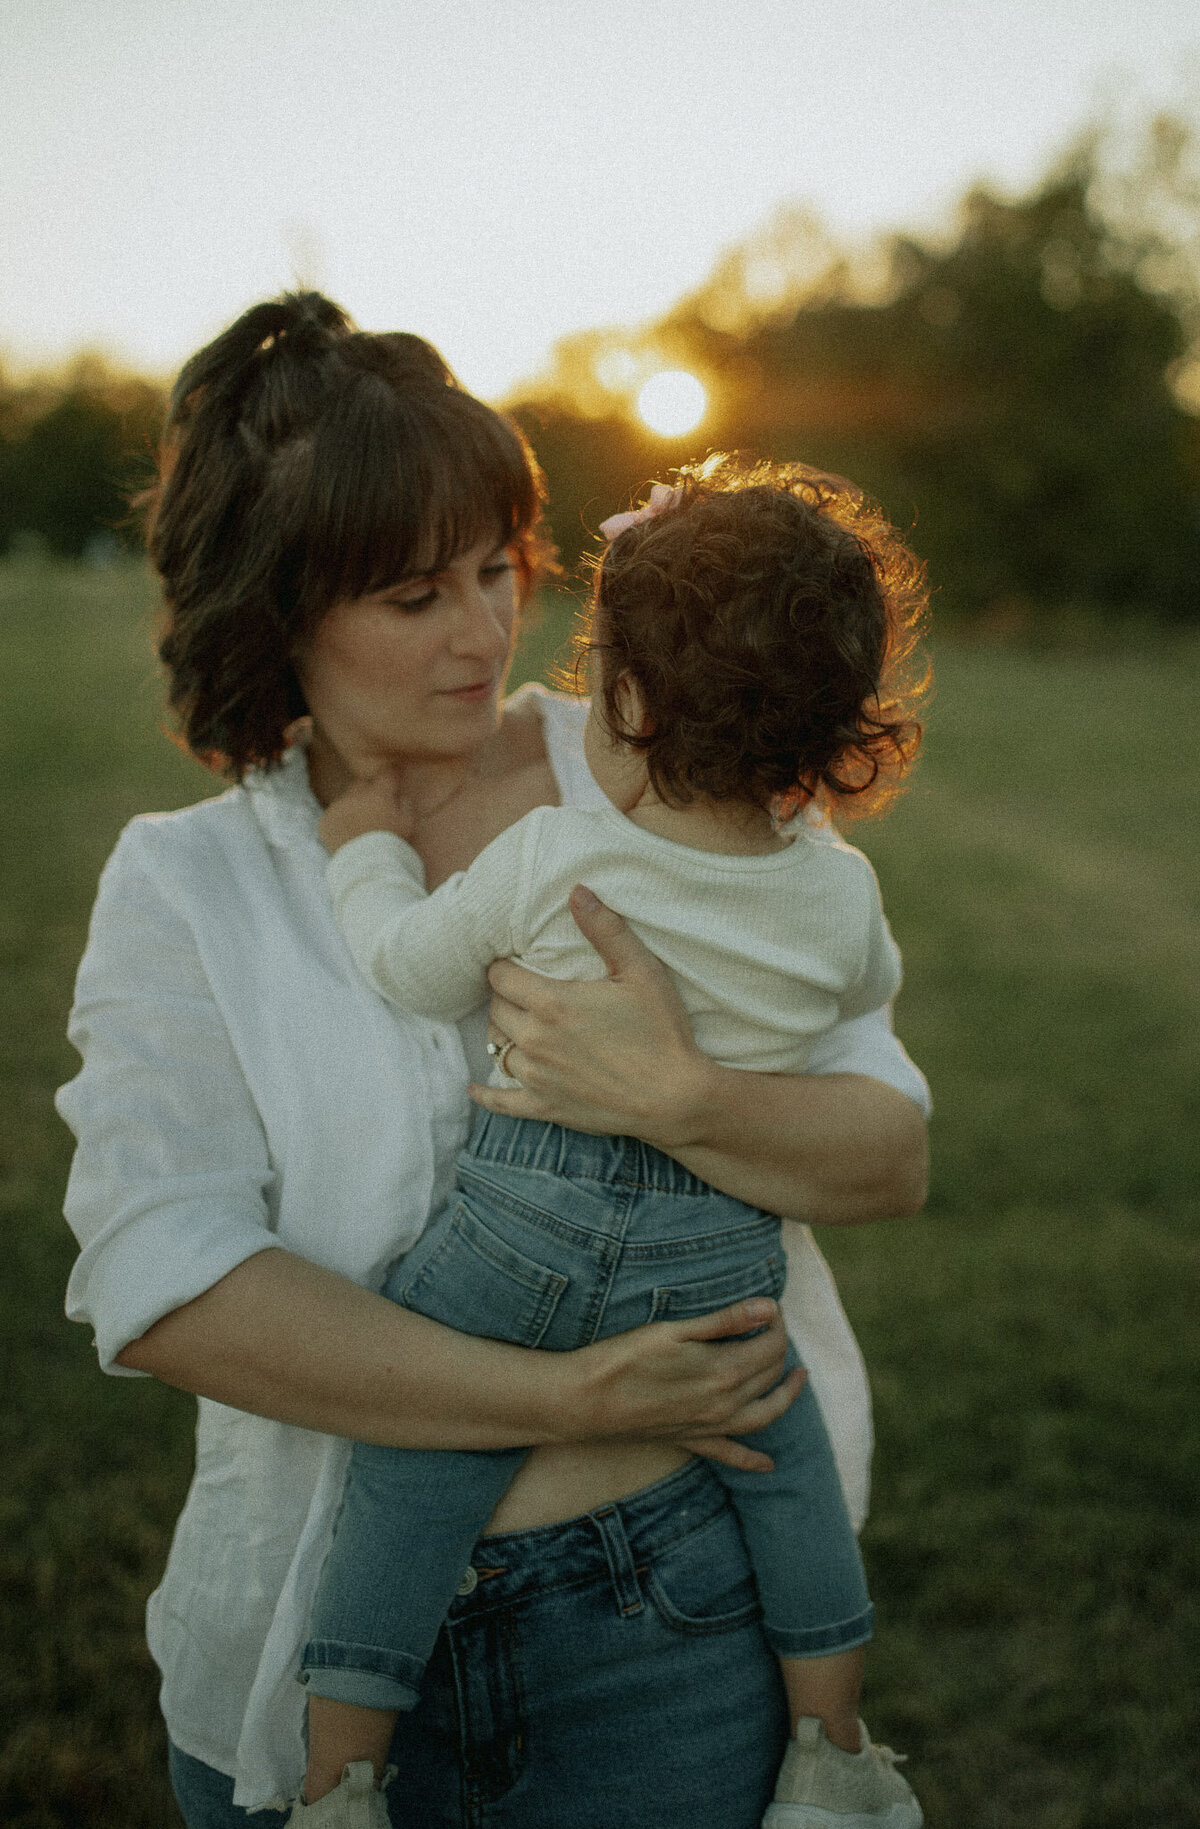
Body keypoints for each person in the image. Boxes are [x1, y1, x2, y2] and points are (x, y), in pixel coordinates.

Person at [55, 292, 930, 1829]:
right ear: (277, 613)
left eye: (494, 568)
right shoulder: (188, 882)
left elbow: (888, 1151)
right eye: (411, 595)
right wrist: (574, 1390)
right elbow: (173, 1279)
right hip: (313, 1623)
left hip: (672, 1625)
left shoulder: (678, 772)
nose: (481, 630)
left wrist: (686, 1098)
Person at [291, 461, 927, 1829]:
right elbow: (859, 988)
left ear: (628, 701)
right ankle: (832, 1753)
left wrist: (363, 848)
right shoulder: (840, 896)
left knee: (410, 1475)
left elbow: (407, 969)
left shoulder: (551, 859)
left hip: (517, 1224)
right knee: (785, 1465)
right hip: (714, 1253)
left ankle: (339, 1781)